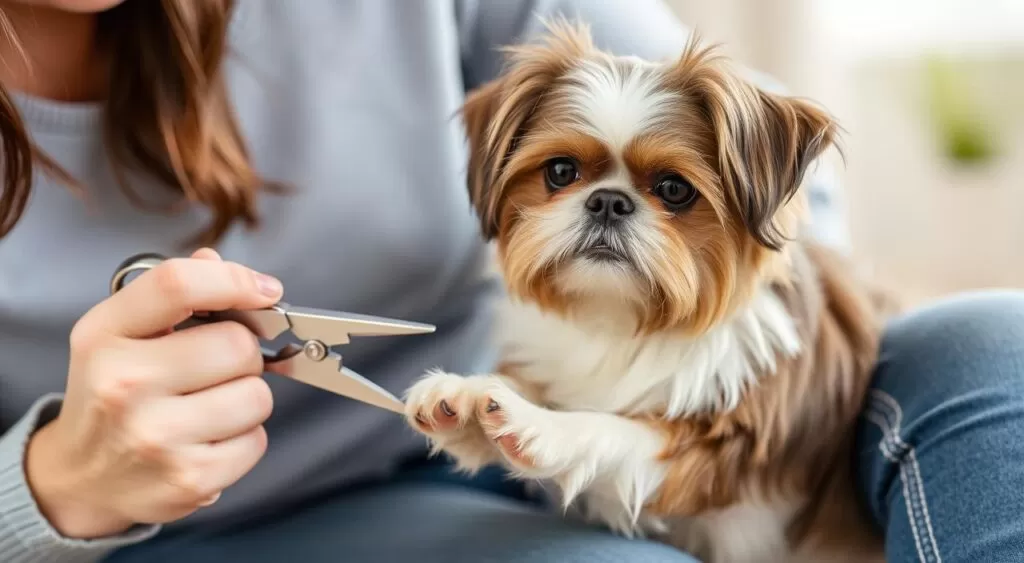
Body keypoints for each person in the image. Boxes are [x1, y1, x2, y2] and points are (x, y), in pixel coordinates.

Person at [0, 1, 1021, 562]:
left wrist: (725, 334)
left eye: (652, 192)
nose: (608, 205)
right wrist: (53, 486)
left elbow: (752, 178)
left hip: (552, 413)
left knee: (997, 345)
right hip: (214, 532)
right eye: (567, 177)